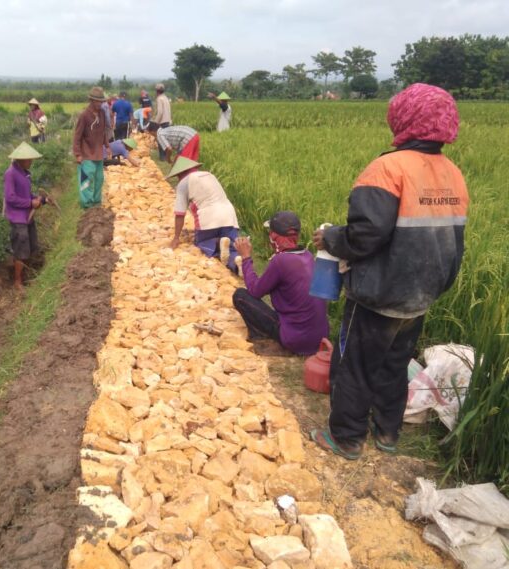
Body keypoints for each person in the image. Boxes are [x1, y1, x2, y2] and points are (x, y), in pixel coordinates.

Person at [310, 83, 469, 460]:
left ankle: (346, 437)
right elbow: (454, 239)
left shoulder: (388, 168)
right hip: (422, 293)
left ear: (403, 118)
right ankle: (387, 433)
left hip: (380, 293)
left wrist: (330, 237)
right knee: (395, 364)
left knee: (355, 365)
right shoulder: (452, 174)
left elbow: (365, 235)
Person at [232, 211, 329, 356]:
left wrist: (246, 258)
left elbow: (255, 290)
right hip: (320, 338)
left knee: (240, 296)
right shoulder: (308, 256)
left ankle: (260, 338)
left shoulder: (281, 261)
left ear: (274, 236)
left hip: (296, 339)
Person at [166, 157, 240, 273]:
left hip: (209, 218)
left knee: (201, 243)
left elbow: (180, 214)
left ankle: (216, 242)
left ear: (179, 173)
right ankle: (236, 262)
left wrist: (176, 238)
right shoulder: (209, 175)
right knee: (231, 248)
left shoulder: (183, 184)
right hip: (229, 216)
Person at [3, 142, 48, 290]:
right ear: (21, 159)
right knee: (21, 250)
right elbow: (10, 198)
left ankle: (26, 275)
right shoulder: (10, 174)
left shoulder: (25, 173)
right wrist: (30, 203)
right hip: (18, 219)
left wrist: (40, 199)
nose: (31, 162)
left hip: (27, 216)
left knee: (32, 246)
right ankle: (17, 282)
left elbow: (27, 195)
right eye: (29, 159)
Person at [73, 86, 111, 208]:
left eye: (101, 101)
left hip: (98, 153)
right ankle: (87, 204)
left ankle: (96, 202)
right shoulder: (84, 115)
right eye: (98, 101)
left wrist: (107, 145)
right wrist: (78, 154)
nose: (100, 103)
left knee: (99, 179)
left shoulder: (102, 113)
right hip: (86, 154)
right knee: (86, 181)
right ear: (92, 101)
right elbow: (77, 136)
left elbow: (103, 131)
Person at [151, 83, 172, 160]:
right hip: (167, 121)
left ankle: (162, 157)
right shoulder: (166, 98)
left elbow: (160, 112)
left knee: (160, 139)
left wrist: (156, 122)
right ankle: (166, 155)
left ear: (157, 91)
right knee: (166, 139)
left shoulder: (159, 99)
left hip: (162, 121)